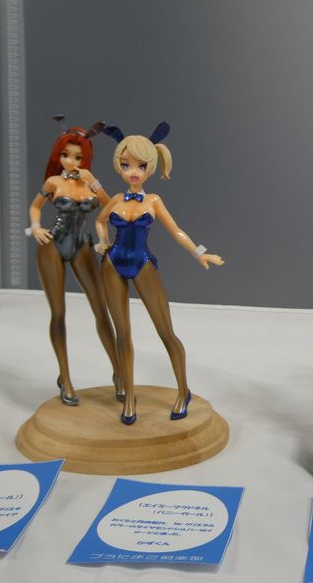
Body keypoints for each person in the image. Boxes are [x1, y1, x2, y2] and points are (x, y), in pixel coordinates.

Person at [94, 122, 224, 424]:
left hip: (141, 263)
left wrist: (199, 253)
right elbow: (100, 221)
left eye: (140, 165)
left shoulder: (153, 201)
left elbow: (175, 230)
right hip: (112, 263)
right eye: (126, 165)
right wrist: (102, 241)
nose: (133, 171)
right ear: (118, 166)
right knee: (122, 333)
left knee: (165, 332)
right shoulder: (115, 200)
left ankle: (183, 390)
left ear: (151, 167)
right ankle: (129, 396)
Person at [27, 117, 121, 405]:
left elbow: (111, 206)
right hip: (53, 244)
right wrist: (36, 227)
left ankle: (119, 373)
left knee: (101, 309)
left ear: (85, 158)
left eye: (77, 157)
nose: (70, 161)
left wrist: (95, 182)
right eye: (66, 155)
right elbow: (35, 206)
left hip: (82, 245)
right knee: (58, 313)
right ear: (58, 155)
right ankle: (65, 378)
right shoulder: (53, 182)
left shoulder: (89, 182)